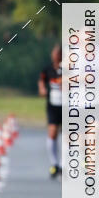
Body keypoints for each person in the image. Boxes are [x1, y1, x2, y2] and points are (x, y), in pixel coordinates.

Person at [38, 44, 63, 177]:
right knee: (52, 133)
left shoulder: (69, 68)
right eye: (54, 54)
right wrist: (42, 88)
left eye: (58, 54)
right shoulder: (47, 69)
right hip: (53, 106)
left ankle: (65, 164)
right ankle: (54, 164)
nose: (56, 57)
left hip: (68, 106)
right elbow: (41, 81)